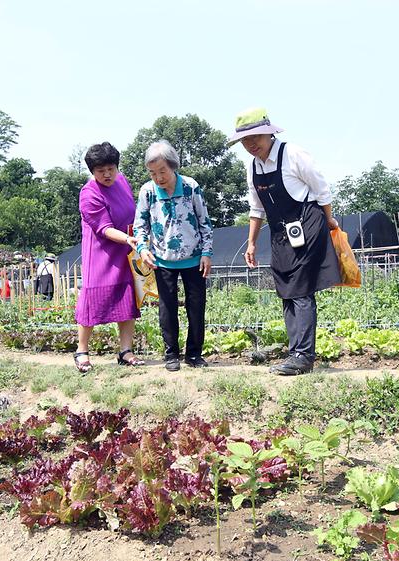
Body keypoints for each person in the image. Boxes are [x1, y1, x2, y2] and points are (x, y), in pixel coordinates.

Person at [230, 108, 341, 375]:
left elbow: (321, 189)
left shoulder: (293, 154)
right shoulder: (253, 167)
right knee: (286, 287)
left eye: (255, 137)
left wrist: (329, 220)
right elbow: (256, 209)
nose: (251, 144)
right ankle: (296, 352)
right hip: (280, 231)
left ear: (269, 132)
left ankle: (303, 356)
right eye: (245, 140)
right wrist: (252, 243)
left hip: (308, 222)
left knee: (301, 287)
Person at [134, 140, 214, 371]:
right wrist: (143, 248)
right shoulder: (147, 191)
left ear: (173, 166)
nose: (158, 177)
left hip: (194, 258)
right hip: (162, 260)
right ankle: (171, 355)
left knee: (196, 307)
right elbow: (140, 225)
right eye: (152, 173)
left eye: (162, 171)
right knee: (167, 308)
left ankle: (194, 354)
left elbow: (204, 222)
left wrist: (207, 252)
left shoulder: (190, 187)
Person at [74, 142, 144, 373]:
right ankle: (82, 350)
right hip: (101, 254)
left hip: (125, 250)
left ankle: (125, 351)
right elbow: (103, 228)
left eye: (111, 168)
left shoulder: (122, 181)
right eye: (100, 170)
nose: (107, 174)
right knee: (93, 300)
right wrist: (126, 238)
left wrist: (134, 238)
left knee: (127, 298)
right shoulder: (89, 194)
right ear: (92, 172)